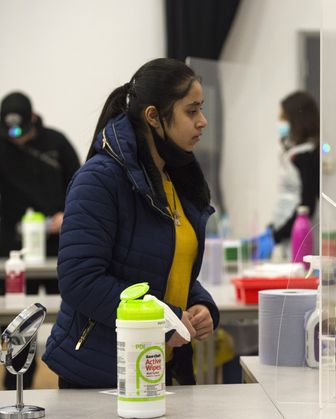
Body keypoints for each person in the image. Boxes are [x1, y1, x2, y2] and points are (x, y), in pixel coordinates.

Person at [42, 58, 220, 388]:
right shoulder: (99, 180)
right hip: (99, 376)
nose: (203, 121)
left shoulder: (173, 181)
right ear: (153, 117)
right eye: (191, 111)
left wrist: (200, 305)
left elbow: (163, 268)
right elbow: (80, 280)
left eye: (202, 109)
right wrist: (163, 317)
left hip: (156, 368)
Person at [0, 91, 80, 390]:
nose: (17, 139)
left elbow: (81, 184)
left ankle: (74, 381)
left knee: (71, 316)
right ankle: (14, 389)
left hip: (60, 247)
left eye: (22, 131)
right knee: (21, 324)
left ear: (32, 118)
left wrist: (67, 213)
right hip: (17, 251)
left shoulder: (56, 143)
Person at [254, 91, 320, 260]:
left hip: (301, 233)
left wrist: (277, 235)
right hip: (286, 232)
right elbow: (286, 199)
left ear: (297, 119)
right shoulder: (293, 153)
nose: (280, 123)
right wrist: (272, 229)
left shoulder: (308, 155)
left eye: (283, 117)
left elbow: (307, 204)